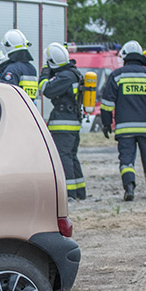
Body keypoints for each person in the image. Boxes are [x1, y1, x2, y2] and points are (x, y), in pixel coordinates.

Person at [100, 40, 146, 201]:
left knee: (126, 160)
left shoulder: (117, 76)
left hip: (124, 129)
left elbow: (107, 104)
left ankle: (129, 187)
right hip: (145, 129)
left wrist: (106, 123)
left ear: (124, 57)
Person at [39, 42, 86, 200]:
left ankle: (69, 194)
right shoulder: (74, 73)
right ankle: (80, 192)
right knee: (72, 156)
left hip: (63, 122)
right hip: (73, 120)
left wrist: (45, 74)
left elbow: (46, 90)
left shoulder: (64, 77)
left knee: (63, 156)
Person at [0, 29, 38, 99]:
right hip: (28, 107)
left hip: (15, 107)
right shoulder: (32, 68)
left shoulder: (12, 69)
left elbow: (5, 93)